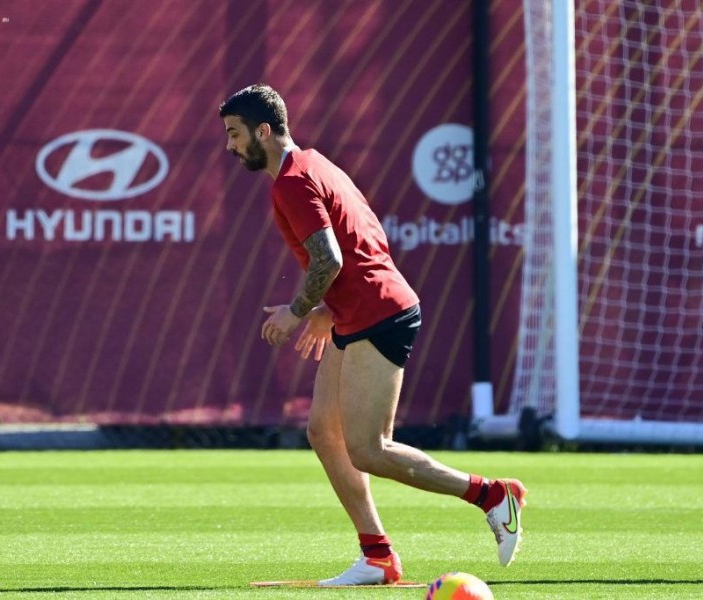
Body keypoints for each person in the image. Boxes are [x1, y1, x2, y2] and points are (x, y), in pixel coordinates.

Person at [219, 84, 526, 586]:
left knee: (369, 448)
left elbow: (331, 259)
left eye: (235, 134)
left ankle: (491, 495)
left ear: (263, 132)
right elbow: (363, 244)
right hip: (355, 311)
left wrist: (298, 311)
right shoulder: (314, 164)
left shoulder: (292, 183)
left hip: (379, 314)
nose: (230, 146)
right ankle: (378, 556)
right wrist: (325, 308)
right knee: (323, 431)